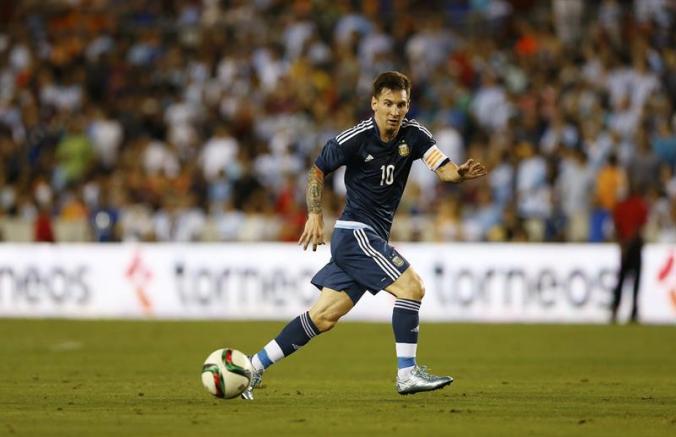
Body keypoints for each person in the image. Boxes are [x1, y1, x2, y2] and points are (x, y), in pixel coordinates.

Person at [241, 71, 487, 400]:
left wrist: (458, 174)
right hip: (356, 233)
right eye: (388, 103)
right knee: (412, 287)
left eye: (401, 104)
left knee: (323, 316)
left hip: (369, 238)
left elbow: (442, 167)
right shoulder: (355, 138)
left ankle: (252, 368)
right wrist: (315, 213)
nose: (395, 110)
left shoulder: (414, 136)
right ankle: (407, 374)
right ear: (374, 104)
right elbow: (317, 170)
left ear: (408, 105)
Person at [610, 183, 648, 323]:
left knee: (623, 279)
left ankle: (619, 309)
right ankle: (629, 311)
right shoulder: (636, 204)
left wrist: (623, 244)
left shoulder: (624, 205)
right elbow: (640, 225)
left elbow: (617, 227)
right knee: (630, 280)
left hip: (628, 246)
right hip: (632, 246)